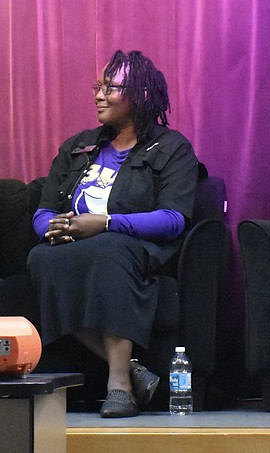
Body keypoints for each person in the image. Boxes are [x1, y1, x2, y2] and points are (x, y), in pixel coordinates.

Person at [27, 50, 198, 418]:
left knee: (110, 250)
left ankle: (118, 384)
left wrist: (106, 223)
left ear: (141, 95)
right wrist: (54, 229)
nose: (98, 95)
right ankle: (136, 372)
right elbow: (43, 211)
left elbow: (173, 218)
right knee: (40, 256)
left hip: (134, 246)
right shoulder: (78, 146)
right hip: (75, 245)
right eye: (97, 86)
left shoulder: (172, 149)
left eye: (110, 87)